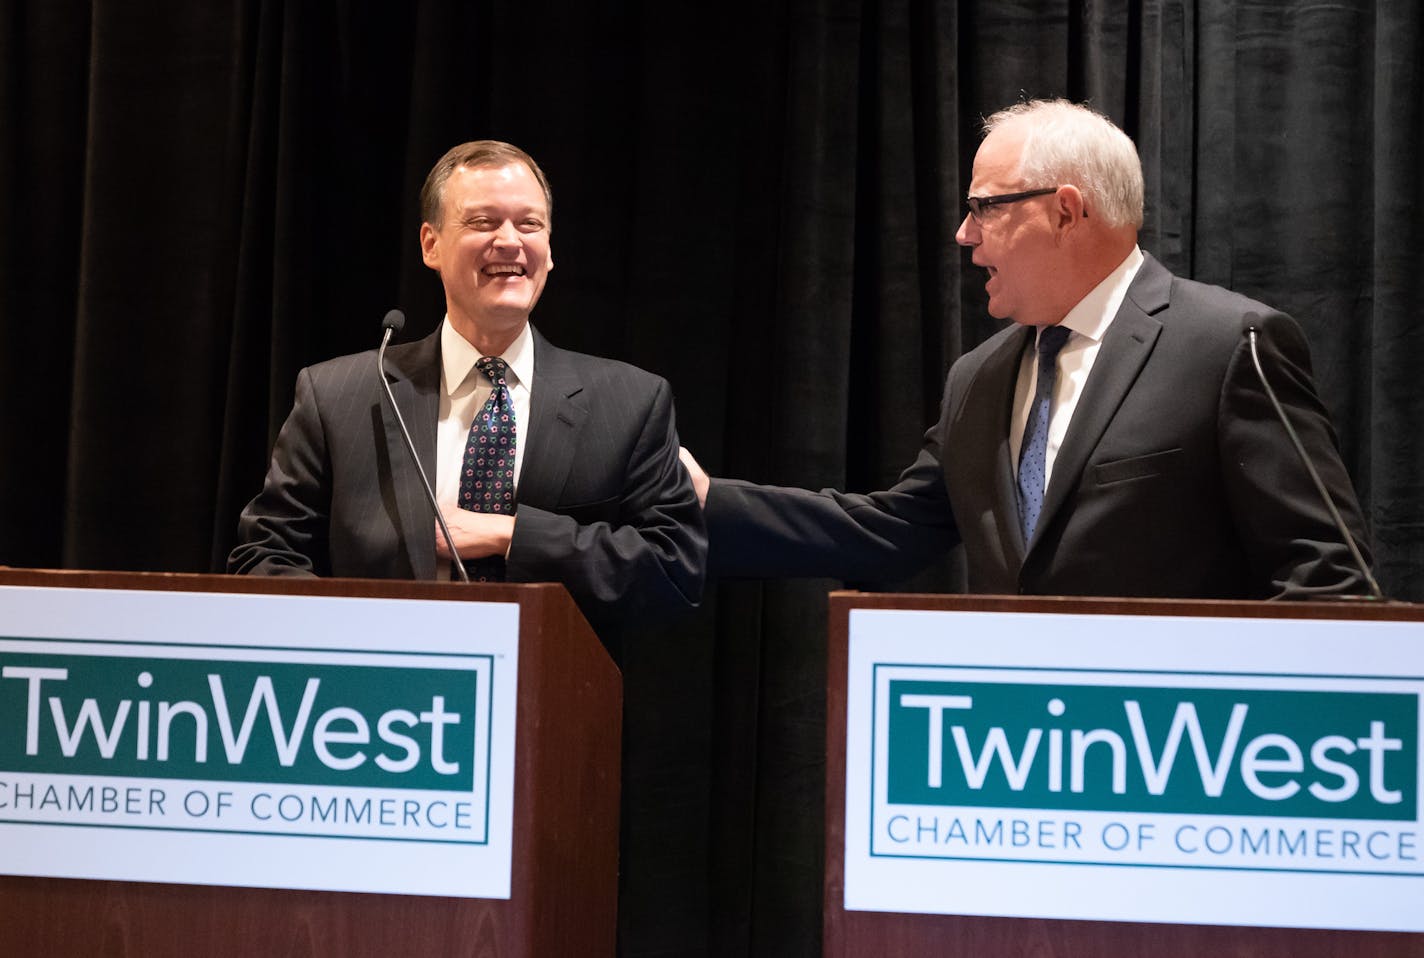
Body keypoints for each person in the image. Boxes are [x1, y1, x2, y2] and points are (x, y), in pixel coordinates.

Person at [682, 99, 1373, 599]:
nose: (963, 234)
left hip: (1189, 757)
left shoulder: (1227, 347)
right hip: (1025, 759)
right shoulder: (977, 379)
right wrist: (711, 499)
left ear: (1067, 210)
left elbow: (1327, 576)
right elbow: (894, 532)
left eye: (986, 207)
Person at [229, 140, 706, 634]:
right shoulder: (342, 394)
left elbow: (674, 573)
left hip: (549, 699)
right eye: (483, 222)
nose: (509, 241)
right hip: (378, 699)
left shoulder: (629, 401)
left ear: (550, 248)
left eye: (529, 224)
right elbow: (266, 555)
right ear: (430, 244)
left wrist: (514, 535)